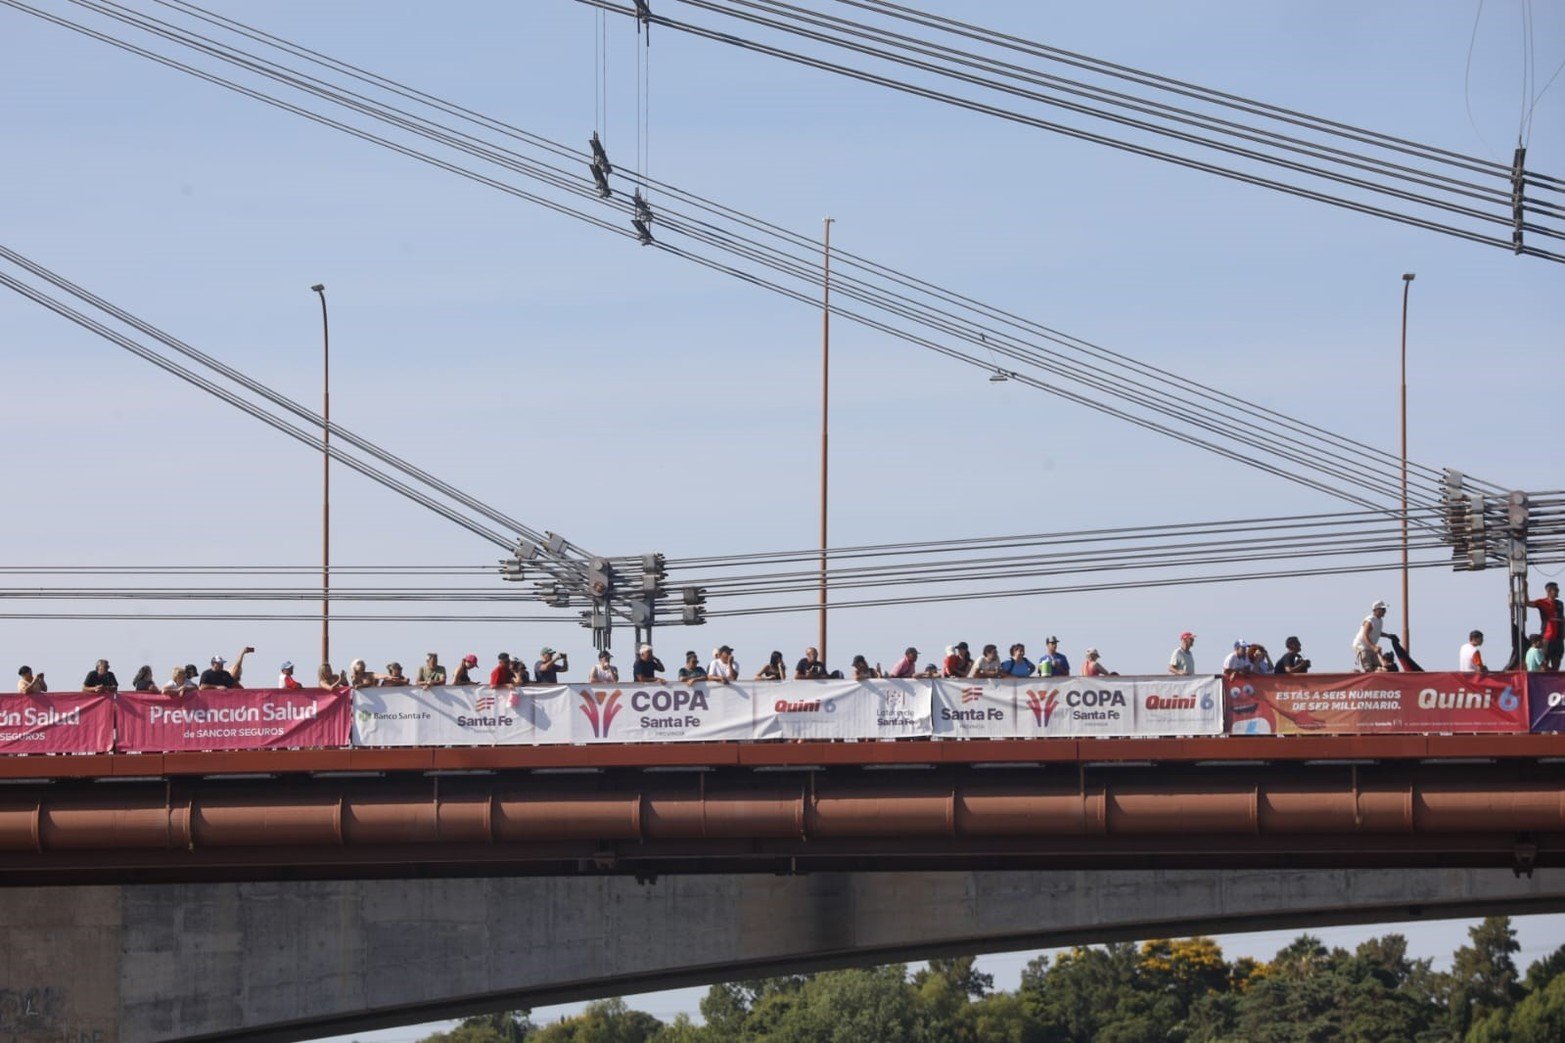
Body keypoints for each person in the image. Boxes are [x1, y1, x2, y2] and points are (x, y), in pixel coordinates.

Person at [1528, 580, 1563, 671]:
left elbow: (1561, 619)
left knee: (1556, 665)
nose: (1558, 591)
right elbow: (1527, 603)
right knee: (1544, 665)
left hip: (1558, 639)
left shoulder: (1560, 604)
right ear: (1549, 591)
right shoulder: (1542, 602)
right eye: (1556, 590)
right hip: (1547, 639)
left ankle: (1555, 679)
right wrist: (1525, 587)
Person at [1353, 600, 1390, 673]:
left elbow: (1377, 632)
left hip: (1370, 647)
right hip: (1362, 647)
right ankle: (1356, 673)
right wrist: (1374, 647)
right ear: (1376, 610)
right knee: (1368, 669)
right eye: (1383, 609)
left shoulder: (1380, 621)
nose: (1385, 611)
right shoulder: (1369, 621)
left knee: (1378, 668)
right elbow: (1365, 636)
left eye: (1385, 609)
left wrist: (1388, 636)